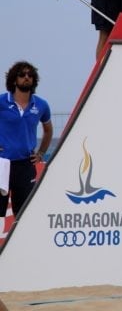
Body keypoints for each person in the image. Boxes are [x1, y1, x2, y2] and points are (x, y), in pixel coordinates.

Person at [0, 62, 53, 219]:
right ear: (14, 79)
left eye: (30, 75)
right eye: (22, 75)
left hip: (25, 165)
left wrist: (41, 153)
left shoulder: (41, 105)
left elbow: (48, 130)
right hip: (2, 163)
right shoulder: (2, 101)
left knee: (24, 214)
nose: (26, 78)